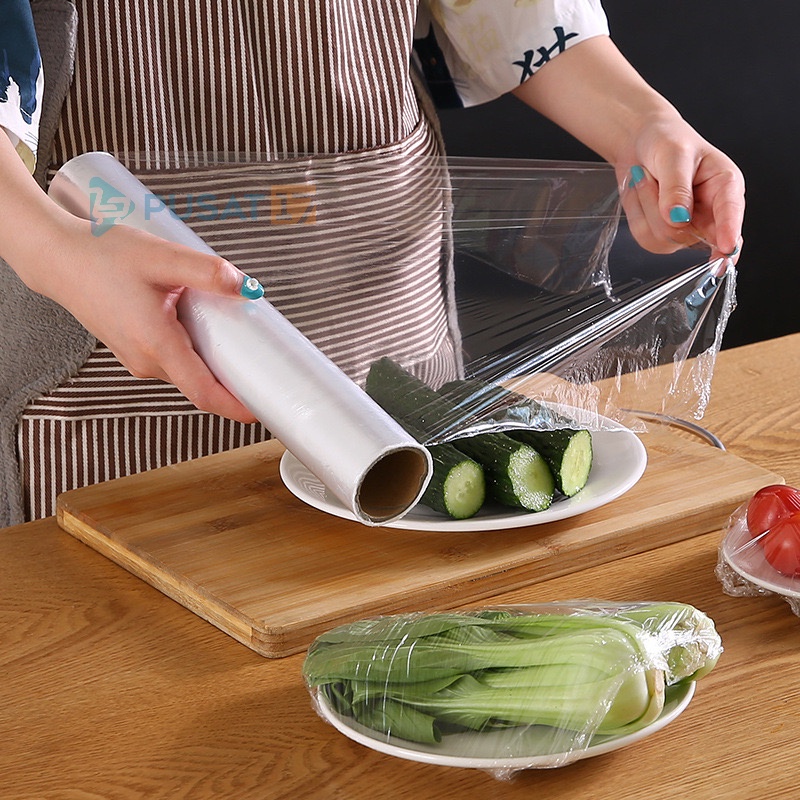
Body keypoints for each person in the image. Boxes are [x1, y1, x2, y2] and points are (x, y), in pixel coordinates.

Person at [0, 0, 745, 524]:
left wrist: (641, 124)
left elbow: (510, 13)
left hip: (396, 325)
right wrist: (56, 250)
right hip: (115, 366)